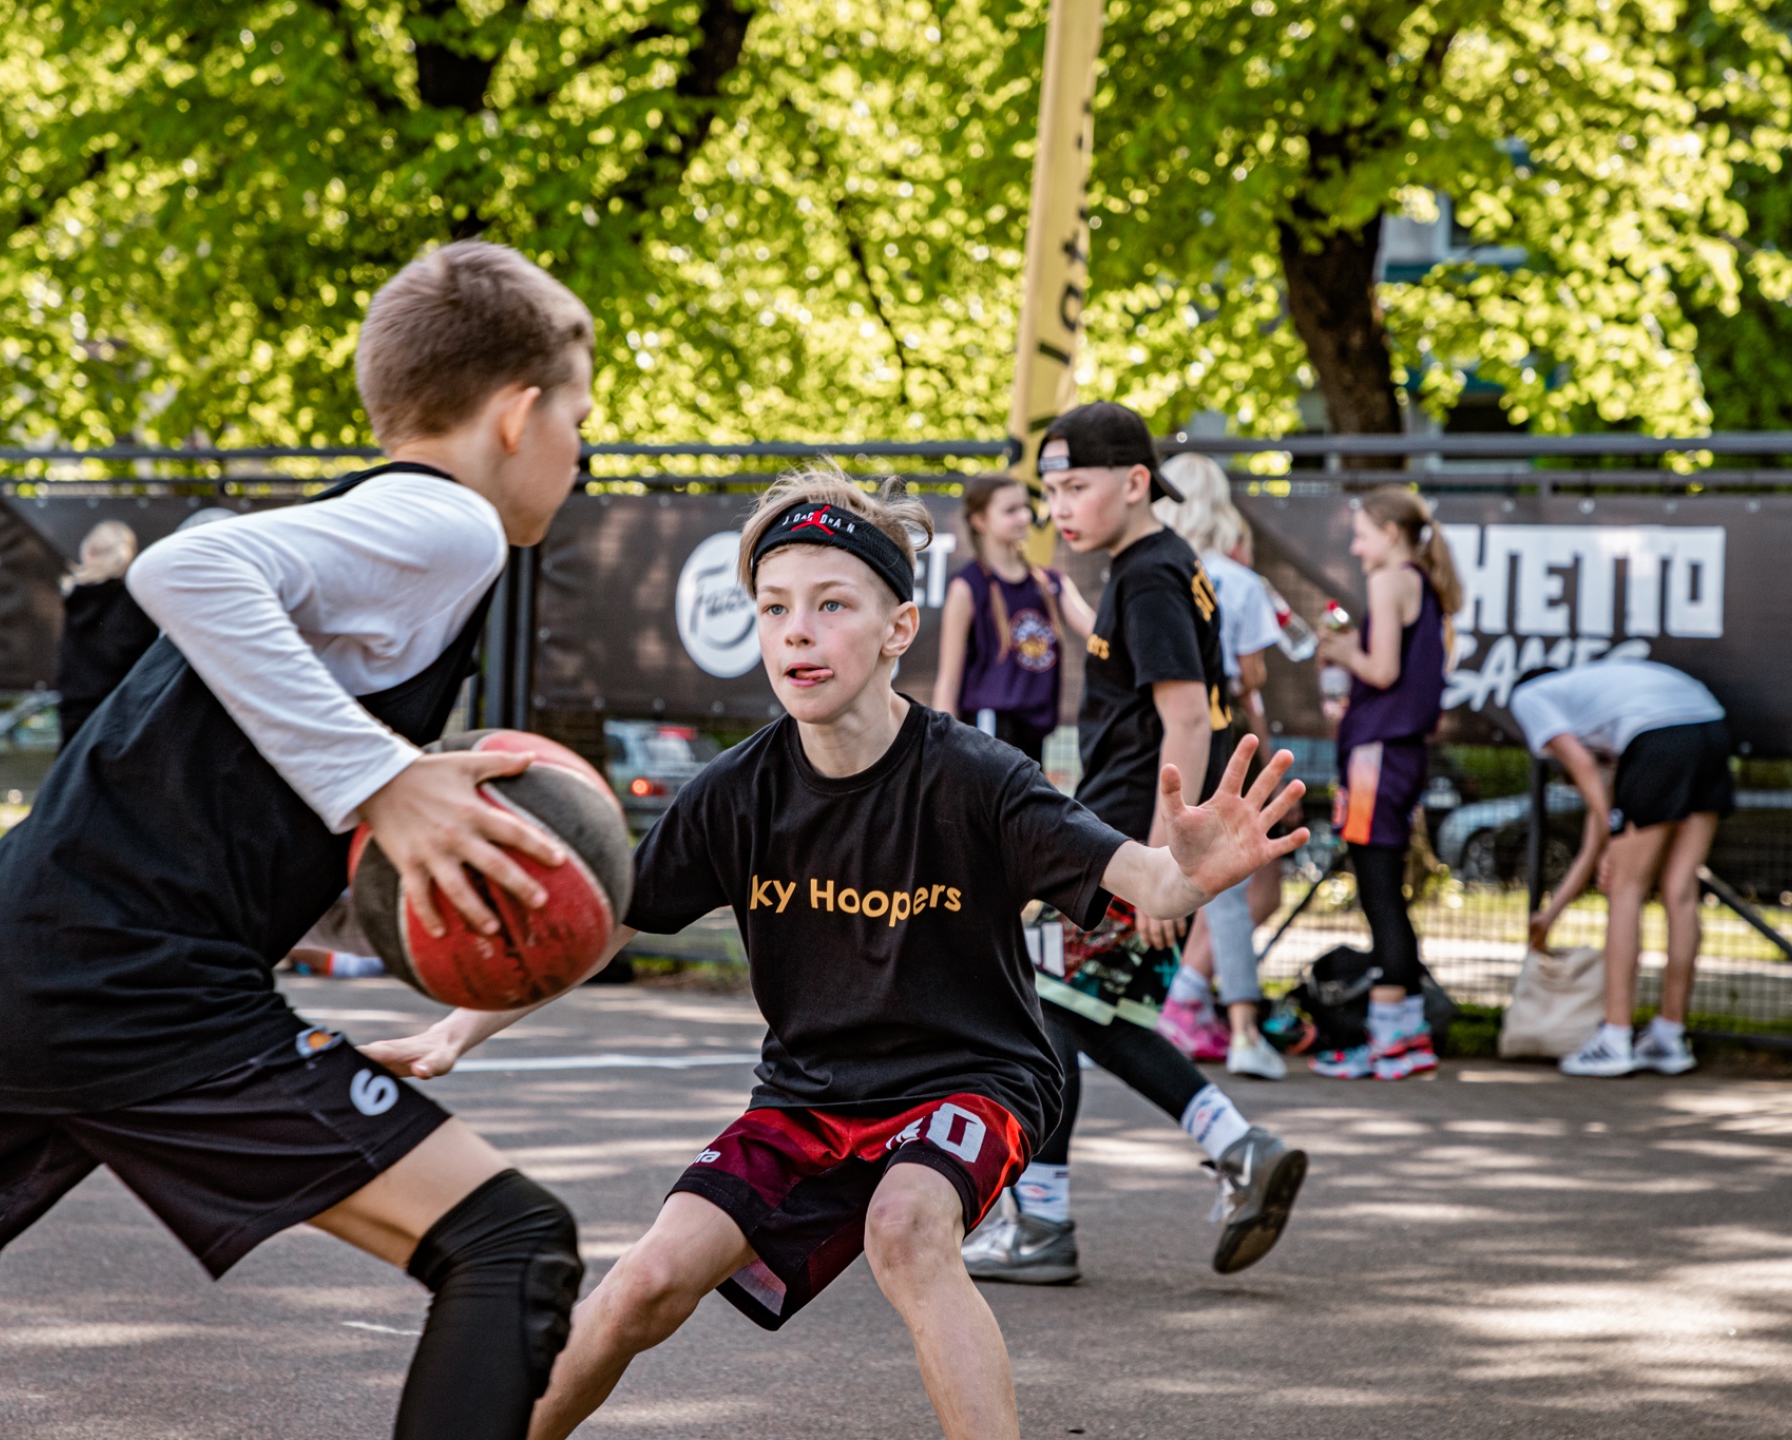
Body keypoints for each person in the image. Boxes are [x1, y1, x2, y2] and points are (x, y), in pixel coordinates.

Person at [0, 240, 601, 1440]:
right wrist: (381, 778)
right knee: (512, 1244)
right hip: (127, 974)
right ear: (518, 415)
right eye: (582, 419)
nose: (582, 453)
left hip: (7, 946)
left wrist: (377, 827)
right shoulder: (446, 523)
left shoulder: (381, 527)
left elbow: (225, 792)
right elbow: (187, 564)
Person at [367, 466, 1310, 1440]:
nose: (796, 631)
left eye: (830, 605)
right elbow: (597, 924)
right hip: (808, 1094)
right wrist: (456, 1031)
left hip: (972, 1078)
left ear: (898, 628)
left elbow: (1146, 882)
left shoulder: (978, 779)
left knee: (905, 1231)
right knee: (646, 1280)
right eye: (773, 608)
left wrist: (1190, 874)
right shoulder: (736, 793)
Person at [961, 401, 1311, 1288]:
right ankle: (1234, 1148)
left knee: (1049, 1008)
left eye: (1074, 487)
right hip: (1122, 837)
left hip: (1125, 843)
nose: (1058, 508)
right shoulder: (1153, 566)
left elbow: (1185, 718)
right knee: (1087, 1015)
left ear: (1134, 482)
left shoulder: (1150, 575)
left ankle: (1047, 1221)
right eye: (1049, 491)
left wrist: (1164, 866)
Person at [1309, 487, 1464, 1081]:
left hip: (1378, 755)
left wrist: (1344, 651)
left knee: (1379, 893)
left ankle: (1389, 1036)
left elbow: (1383, 669)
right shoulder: (1421, 582)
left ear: (1391, 533)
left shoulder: (1390, 580)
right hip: (1395, 752)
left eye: (1362, 535)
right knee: (1384, 890)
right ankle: (1405, 1032)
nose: (1356, 547)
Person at [1515, 659, 1733, 1078]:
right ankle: (1669, 1038)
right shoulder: (1607, 713)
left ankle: (1614, 1040)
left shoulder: (1529, 697)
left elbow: (1584, 772)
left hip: (1662, 736)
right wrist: (1550, 914)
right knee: (1680, 890)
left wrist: (1614, 839)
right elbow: (1592, 840)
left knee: (1625, 889)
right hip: (1710, 727)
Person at [1151, 452, 1290, 1080]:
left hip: (1162, 736)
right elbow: (1251, 674)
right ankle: (1231, 1021)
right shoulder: (1237, 581)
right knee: (1236, 885)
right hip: (1223, 731)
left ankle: (1184, 1001)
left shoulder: (1155, 576)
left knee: (1201, 879)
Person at [930, 471, 1092, 762]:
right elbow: (948, 679)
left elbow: (1098, 632)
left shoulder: (1050, 583)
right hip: (990, 724)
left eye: (1025, 507)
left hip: (1036, 726)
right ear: (980, 521)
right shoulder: (967, 587)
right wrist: (941, 751)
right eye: (1010, 510)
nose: (1023, 517)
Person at [54, 519, 158, 748]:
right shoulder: (136, 603)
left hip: (76, 719)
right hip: (123, 722)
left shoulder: (73, 600)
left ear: (89, 552)